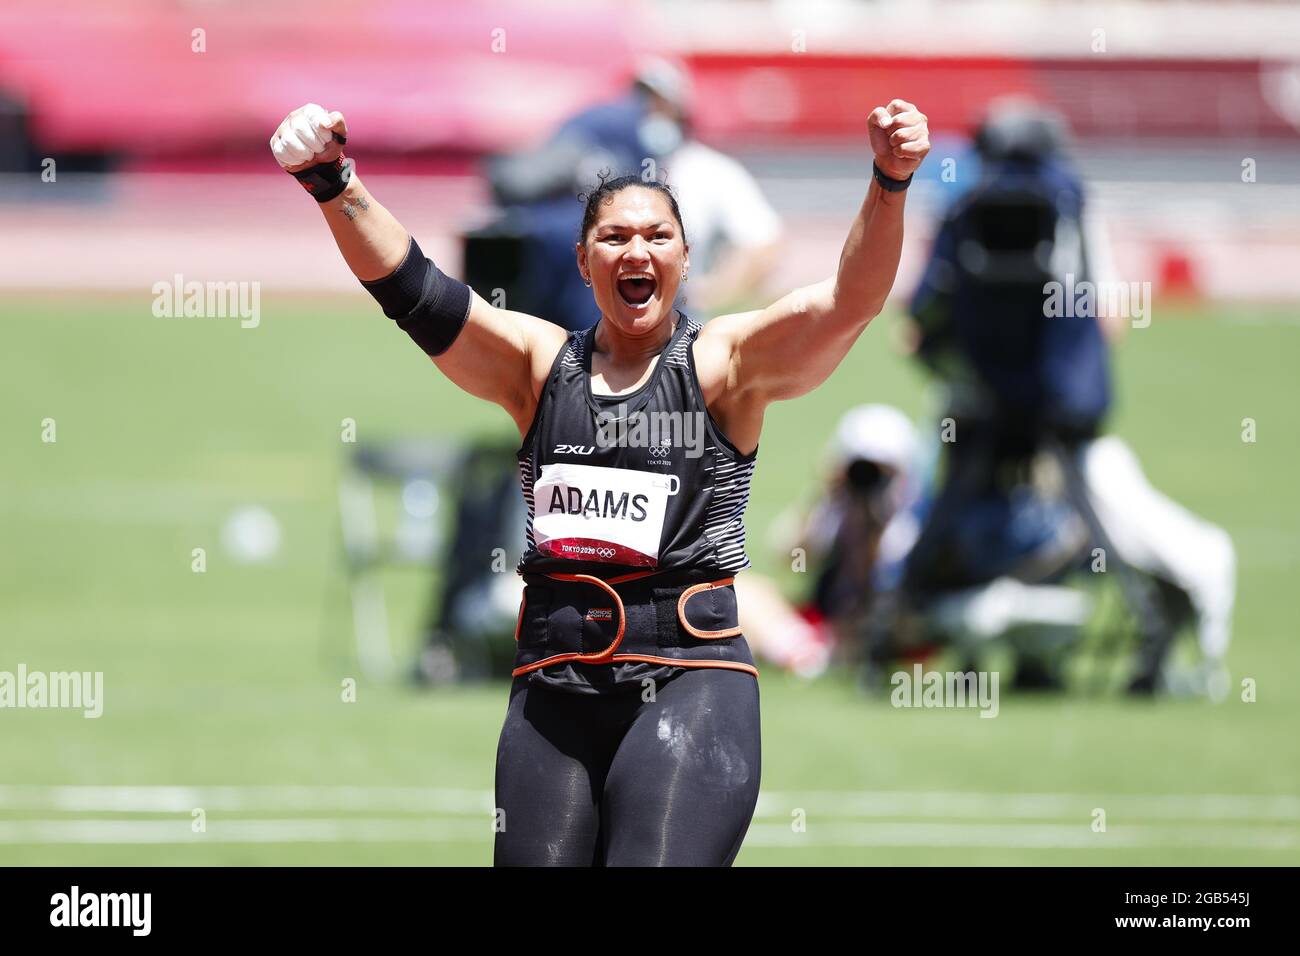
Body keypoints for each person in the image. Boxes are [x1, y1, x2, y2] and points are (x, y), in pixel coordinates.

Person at [269, 96, 930, 865]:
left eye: (657, 236)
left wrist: (889, 181)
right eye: (613, 237)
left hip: (690, 680)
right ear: (584, 263)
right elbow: (415, 291)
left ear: (685, 259)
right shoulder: (538, 365)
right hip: (552, 687)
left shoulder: (724, 366)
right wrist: (333, 182)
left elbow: (851, 300)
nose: (636, 251)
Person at [485, 56, 781, 330]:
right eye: (640, 100)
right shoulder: (598, 166)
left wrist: (712, 293)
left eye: (657, 102)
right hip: (590, 335)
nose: (644, 111)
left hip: (675, 337)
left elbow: (763, 243)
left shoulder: (709, 171)